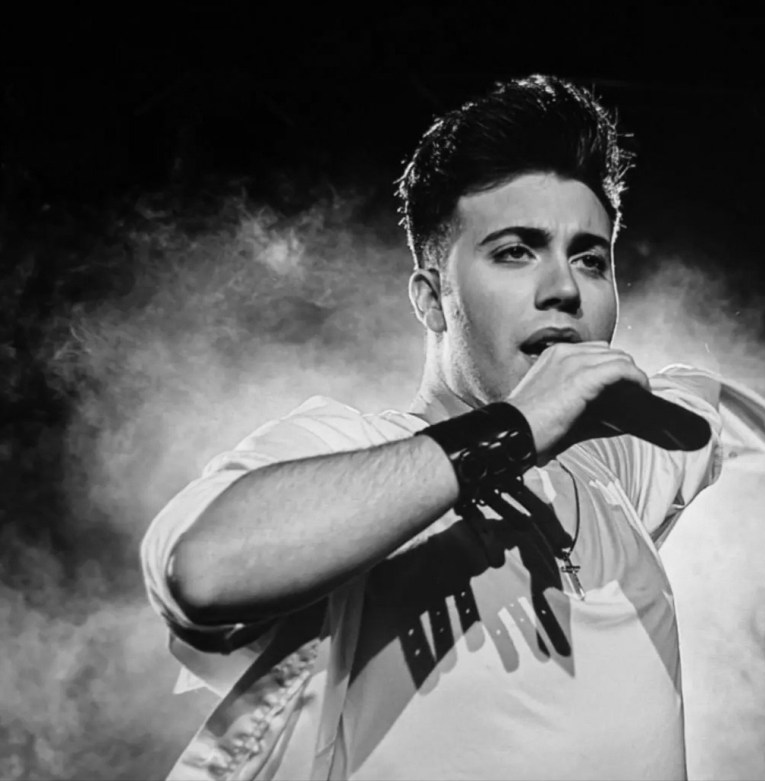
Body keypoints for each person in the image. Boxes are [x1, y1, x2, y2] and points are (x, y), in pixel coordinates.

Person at [141, 74, 727, 781]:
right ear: (430, 299)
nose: (565, 288)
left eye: (589, 259)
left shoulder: (617, 470)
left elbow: (704, 411)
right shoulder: (352, 449)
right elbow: (201, 570)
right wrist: (512, 429)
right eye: (515, 251)